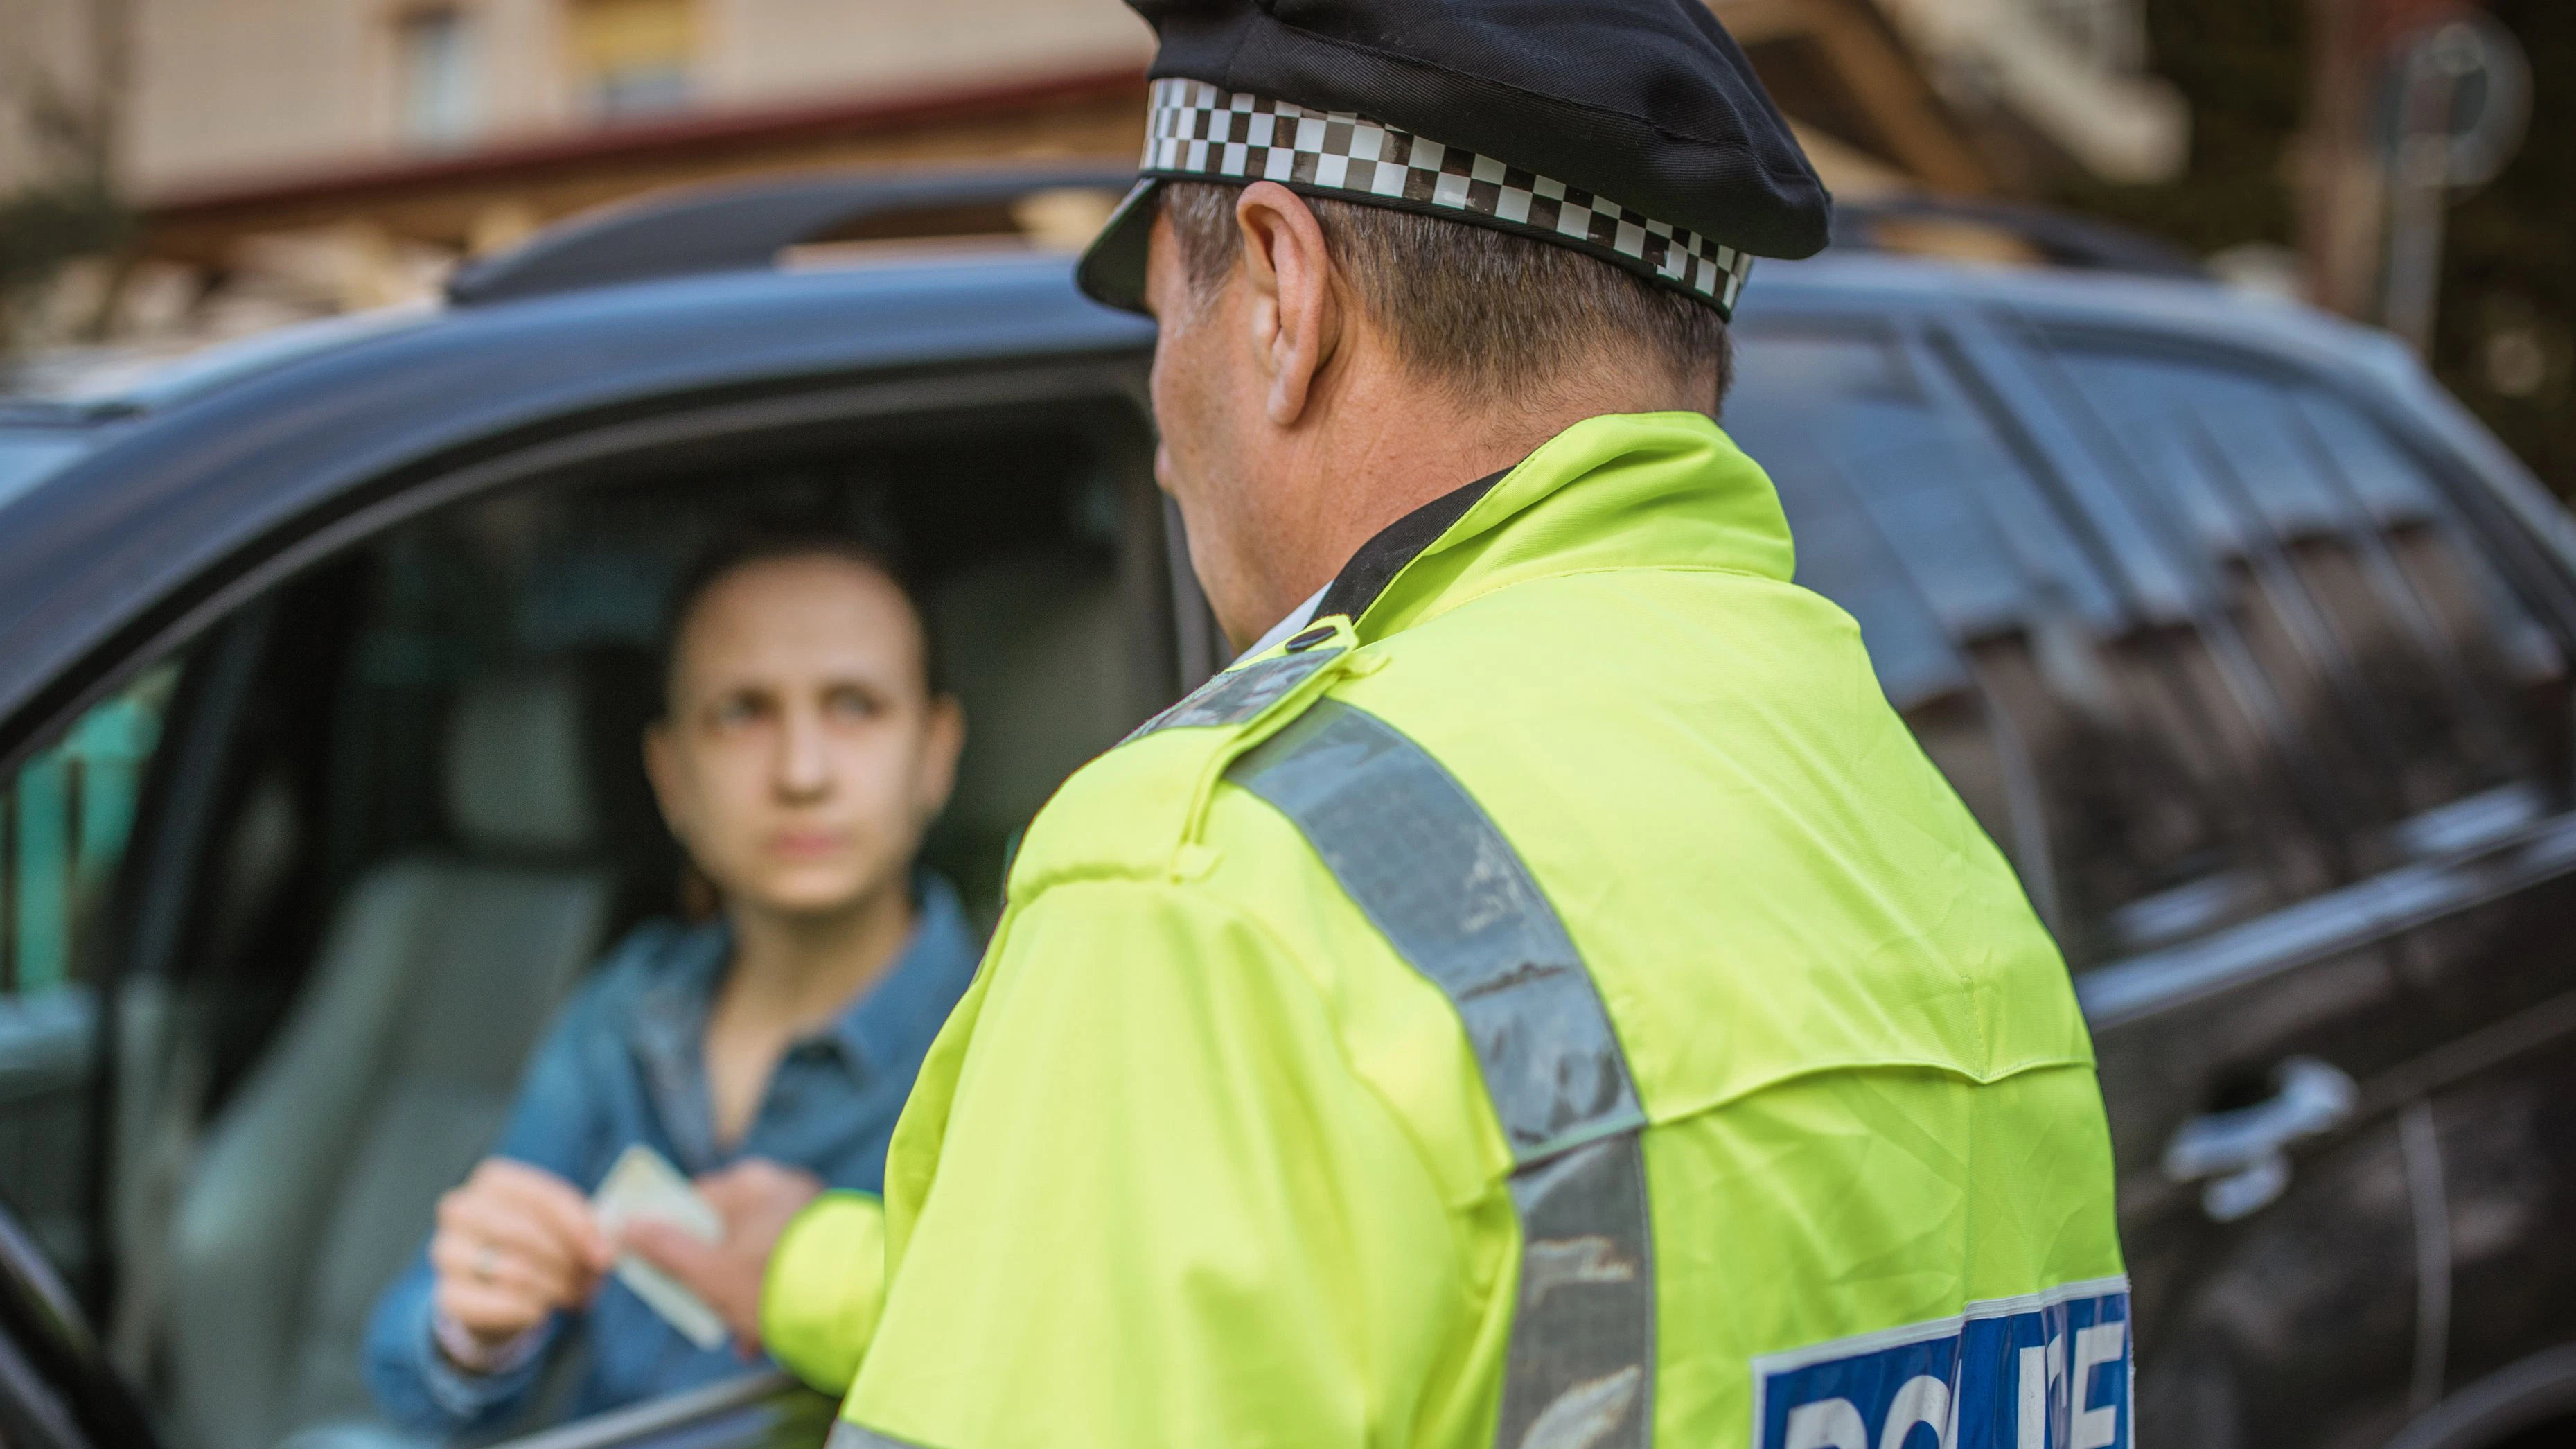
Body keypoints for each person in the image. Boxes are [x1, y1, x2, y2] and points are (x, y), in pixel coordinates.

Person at [664, 1, 2134, 1444]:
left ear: (1279, 294)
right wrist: (804, 1272)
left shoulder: (1219, 890)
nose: (1164, 443)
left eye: (1163, 320)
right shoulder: (1919, 826)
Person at [360, 529, 974, 1439]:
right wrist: (475, 1324)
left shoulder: (1005, 1032)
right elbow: (414, 1365)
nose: (801, 773)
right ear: (670, 774)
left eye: (853, 705)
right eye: (740, 712)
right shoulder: (629, 1006)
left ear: (935, 752)